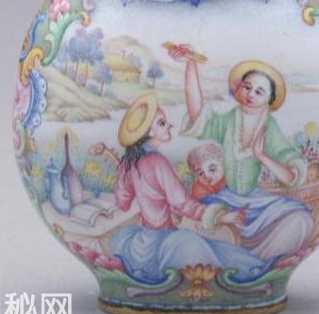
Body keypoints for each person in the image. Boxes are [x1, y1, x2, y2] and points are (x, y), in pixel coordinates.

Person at [95, 93, 276, 284]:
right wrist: (221, 217)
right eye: (162, 123)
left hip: (142, 243)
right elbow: (182, 203)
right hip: (163, 239)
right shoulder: (156, 161)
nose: (170, 125)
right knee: (220, 255)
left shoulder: (130, 164)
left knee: (215, 249)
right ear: (149, 132)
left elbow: (123, 203)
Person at [168, 44, 314, 261]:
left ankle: (255, 262)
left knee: (301, 220)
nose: (250, 95)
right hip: (223, 198)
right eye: (247, 87)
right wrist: (191, 64)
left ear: (269, 99)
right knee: (197, 225)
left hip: (256, 203)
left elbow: (291, 176)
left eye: (259, 92)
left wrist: (262, 156)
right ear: (237, 89)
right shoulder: (229, 121)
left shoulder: (269, 128)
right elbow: (197, 114)